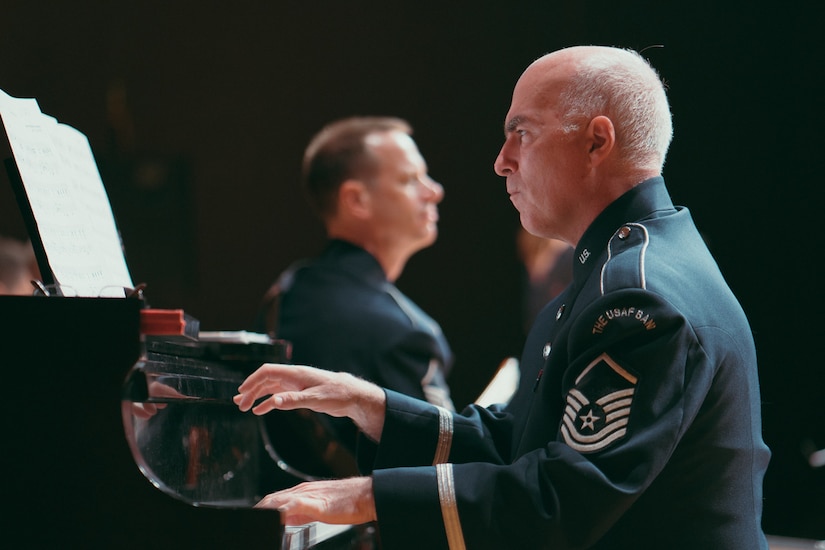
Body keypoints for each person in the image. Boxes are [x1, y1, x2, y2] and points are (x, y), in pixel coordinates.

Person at [234, 46, 770, 549]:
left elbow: (559, 498)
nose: (501, 161)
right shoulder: (618, 270)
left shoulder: (637, 299)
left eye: (522, 133)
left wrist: (362, 496)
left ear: (596, 143)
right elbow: (520, 444)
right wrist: (365, 402)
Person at [254, 116, 455, 456]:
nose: (434, 191)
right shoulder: (405, 331)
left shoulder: (285, 293)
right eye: (410, 179)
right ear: (356, 200)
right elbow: (439, 461)